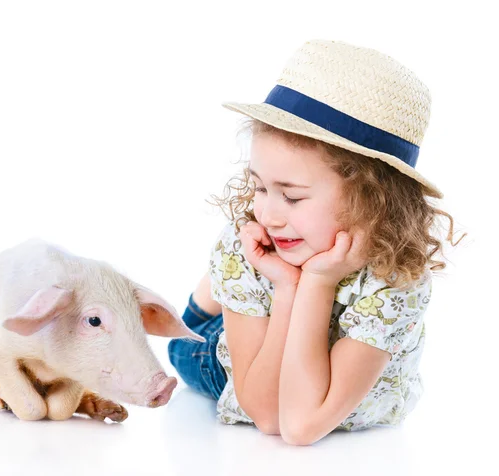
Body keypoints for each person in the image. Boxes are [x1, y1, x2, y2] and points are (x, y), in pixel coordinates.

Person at [167, 39, 466, 446]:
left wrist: (319, 283)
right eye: (259, 187)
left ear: (373, 199)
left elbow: (300, 425)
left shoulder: (396, 281)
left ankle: (222, 290)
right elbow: (268, 417)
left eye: (292, 196)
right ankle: (212, 296)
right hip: (234, 358)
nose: (269, 216)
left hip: (294, 357)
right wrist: (288, 287)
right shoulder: (253, 252)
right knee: (183, 349)